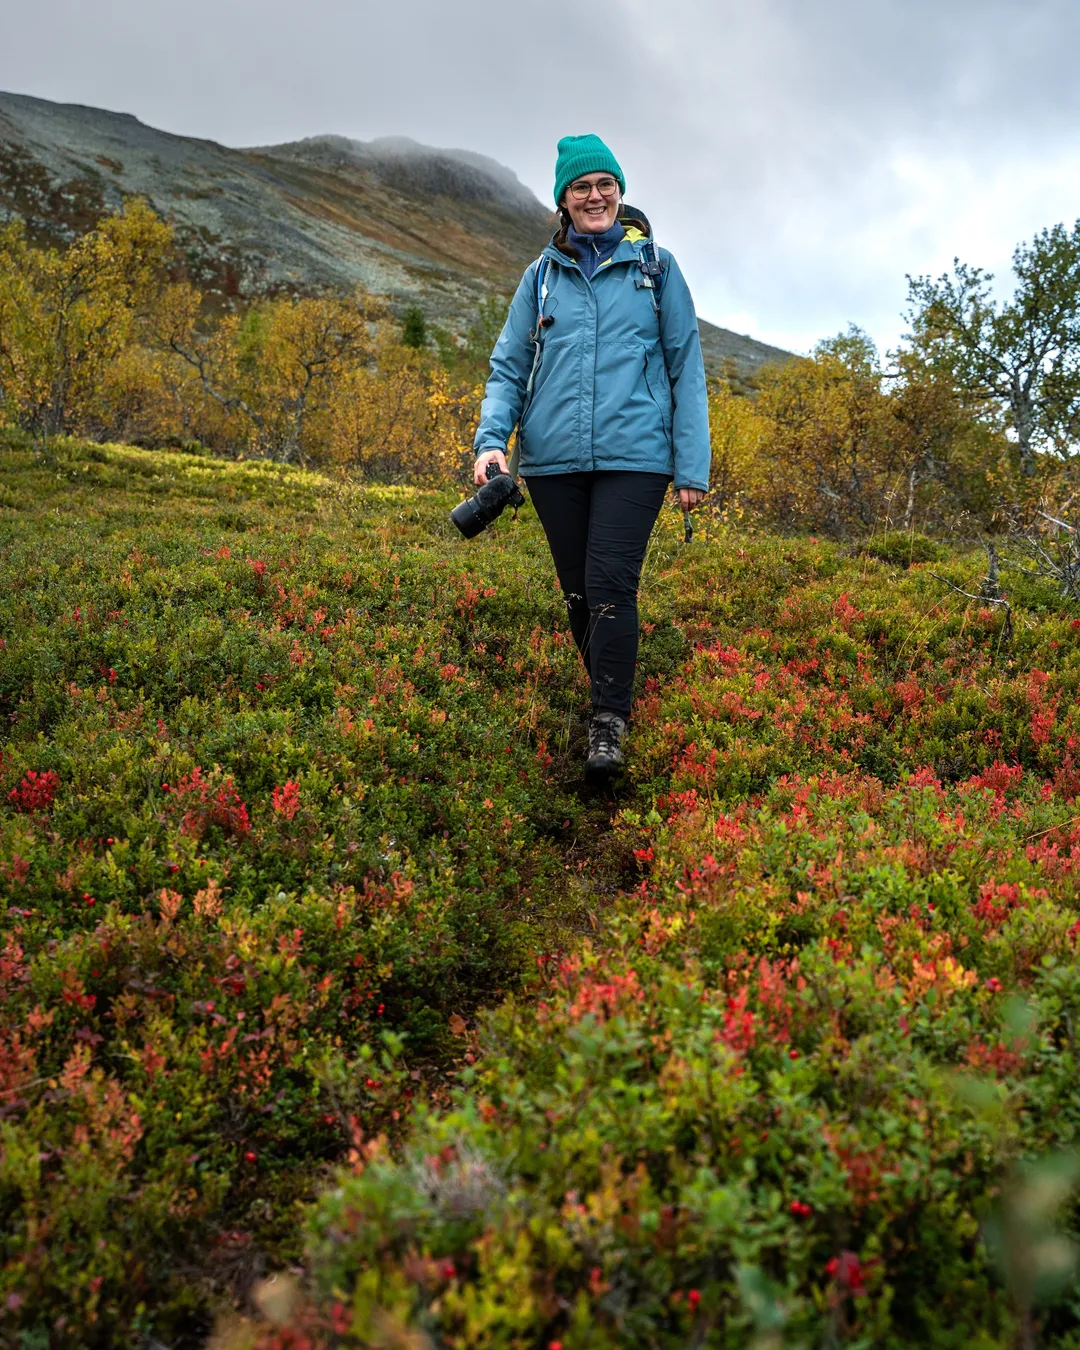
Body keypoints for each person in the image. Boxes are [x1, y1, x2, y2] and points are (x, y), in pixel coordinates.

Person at [473, 133, 710, 783]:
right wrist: (492, 441)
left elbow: (686, 366)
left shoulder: (657, 269)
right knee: (578, 594)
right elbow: (508, 366)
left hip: (636, 456)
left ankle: (608, 720)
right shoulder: (542, 277)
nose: (596, 195)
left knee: (610, 585)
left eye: (605, 183)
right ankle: (612, 681)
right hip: (553, 461)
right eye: (582, 187)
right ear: (564, 201)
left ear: (620, 192)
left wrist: (692, 466)